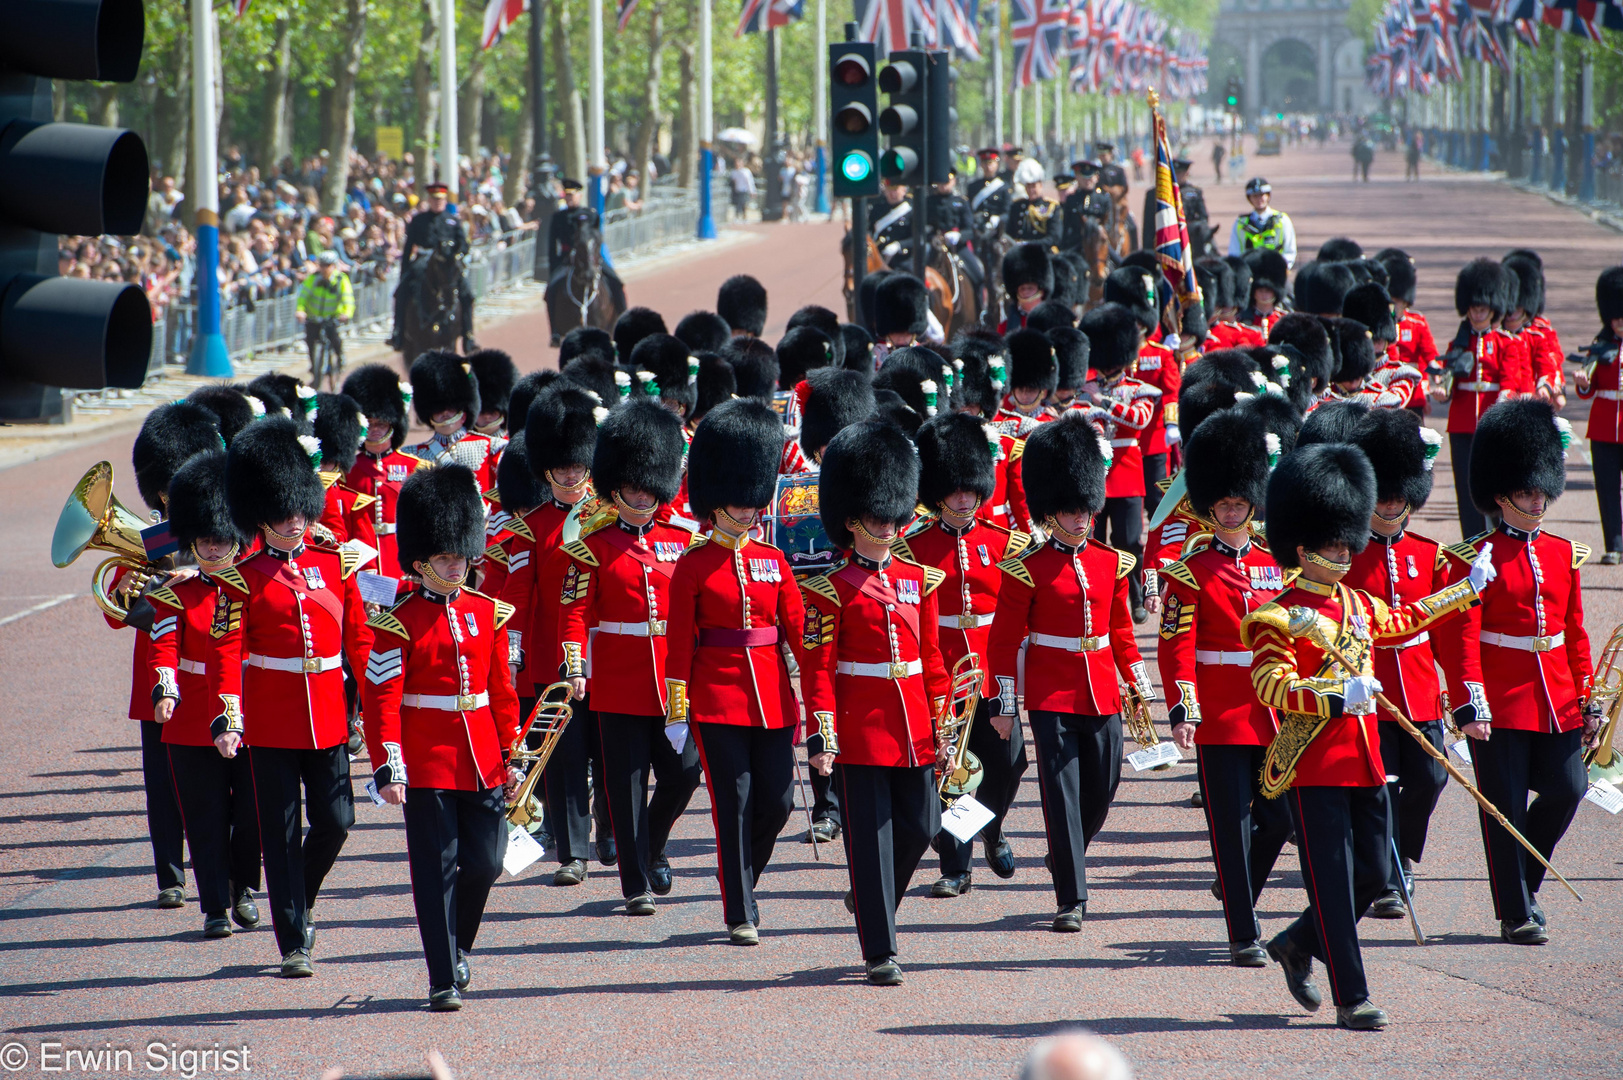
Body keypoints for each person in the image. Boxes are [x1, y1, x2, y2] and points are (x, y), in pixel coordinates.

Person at [1241, 443, 1484, 1030]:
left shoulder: (1358, 603)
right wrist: (1329, 696)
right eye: (1334, 544)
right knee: (1330, 879)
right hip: (1315, 763)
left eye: (1347, 541)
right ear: (1303, 548)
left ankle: (1298, 944)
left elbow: (1403, 623)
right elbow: (1269, 684)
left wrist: (1466, 587)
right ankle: (1353, 996)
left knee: (1377, 874)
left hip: (1366, 760)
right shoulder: (1280, 612)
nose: (1346, 553)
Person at [215, 417, 374, 978]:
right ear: (262, 515)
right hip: (272, 720)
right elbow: (229, 654)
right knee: (280, 833)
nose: (293, 522)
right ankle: (292, 942)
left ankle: (298, 896)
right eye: (283, 514)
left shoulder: (335, 563)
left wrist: (376, 715)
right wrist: (230, 718)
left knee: (336, 822)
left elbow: (359, 642)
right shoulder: (243, 577)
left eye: (299, 511)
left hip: (329, 712)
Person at [362, 464, 521, 1012]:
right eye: (447, 558)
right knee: (436, 869)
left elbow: (501, 692)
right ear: (421, 560)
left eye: (462, 556)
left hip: (481, 756)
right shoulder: (396, 622)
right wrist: (389, 763)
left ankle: (457, 947)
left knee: (486, 862)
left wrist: (512, 748)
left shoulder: (487, 614)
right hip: (426, 757)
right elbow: (381, 699)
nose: (458, 566)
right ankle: (441, 976)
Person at [799, 420, 950, 986]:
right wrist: (822, 734)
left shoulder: (919, 580)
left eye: (893, 518)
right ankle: (880, 950)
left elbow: (932, 659)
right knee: (870, 840)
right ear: (852, 520)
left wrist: (946, 722)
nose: (887, 528)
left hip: (914, 724)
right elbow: (817, 671)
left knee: (921, 824)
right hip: (859, 727)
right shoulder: (827, 588)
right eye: (876, 519)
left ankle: (870, 899)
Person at [988, 414, 1153, 932]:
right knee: (1059, 791)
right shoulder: (1027, 567)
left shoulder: (1111, 561)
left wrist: (1138, 683)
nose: (1080, 519)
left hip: (1102, 683)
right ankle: (1071, 898)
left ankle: (1066, 854)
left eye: (1085, 510)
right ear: (1050, 512)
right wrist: (1005, 705)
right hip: (1049, 688)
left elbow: (1121, 632)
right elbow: (1003, 640)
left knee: (1104, 784)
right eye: (1069, 510)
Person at [1446, 399, 1596, 946]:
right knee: (1503, 809)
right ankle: (1515, 912)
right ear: (1502, 494)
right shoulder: (1474, 557)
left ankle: (1522, 883)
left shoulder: (1563, 554)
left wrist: (1585, 695)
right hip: (1500, 698)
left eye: (1541, 492)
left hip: (1554, 693)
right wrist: (1469, 700)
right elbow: (1463, 638)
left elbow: (1573, 632)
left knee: (1568, 788)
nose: (1538, 501)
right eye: (1528, 492)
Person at [665, 399, 806, 944]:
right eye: (738, 501)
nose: (748, 511)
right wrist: (678, 710)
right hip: (715, 697)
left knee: (777, 802)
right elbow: (678, 642)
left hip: (772, 695)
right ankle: (740, 910)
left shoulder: (774, 558)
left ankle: (741, 875)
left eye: (753, 500)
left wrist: (819, 701)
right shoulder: (693, 565)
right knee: (736, 802)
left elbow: (798, 633)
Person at [1335, 408, 1482, 920]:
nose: (1393, 502)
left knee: (1429, 779)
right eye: (1386, 492)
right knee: (1377, 783)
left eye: (1401, 494)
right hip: (1364, 689)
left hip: (1418, 689)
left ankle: (1402, 854)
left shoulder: (1432, 556)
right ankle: (1388, 877)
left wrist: (1468, 700)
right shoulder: (1344, 555)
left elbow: (1454, 634)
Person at [1157, 404, 1291, 967]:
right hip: (1218, 712)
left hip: (1274, 709)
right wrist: (1183, 709)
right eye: (1225, 503)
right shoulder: (1188, 571)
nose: (1233, 510)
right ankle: (1242, 931)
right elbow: (1175, 646)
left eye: (1240, 501)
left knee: (1280, 820)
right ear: (1210, 507)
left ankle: (1238, 892)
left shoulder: (1275, 563)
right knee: (1231, 829)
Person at [559, 399, 703, 916]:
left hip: (673, 681)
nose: (641, 495)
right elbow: (572, 613)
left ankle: (653, 845)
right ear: (615, 485)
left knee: (685, 774)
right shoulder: (590, 545)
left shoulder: (682, 539)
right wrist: (574, 664)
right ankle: (635, 882)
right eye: (632, 486)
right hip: (618, 681)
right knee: (624, 786)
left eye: (649, 486)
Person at [895, 413, 1031, 898]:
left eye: (970, 490)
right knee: (954, 769)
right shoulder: (912, 549)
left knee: (1010, 764)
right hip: (946, 670)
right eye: (954, 491)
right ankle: (957, 865)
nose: (964, 498)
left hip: (994, 669)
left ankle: (989, 830)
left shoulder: (1005, 544)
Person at [147, 450, 262, 940]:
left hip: (252, 712)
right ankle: (216, 905)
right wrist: (166, 690)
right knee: (205, 814)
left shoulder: (256, 586)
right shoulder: (178, 590)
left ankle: (241, 887)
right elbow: (165, 643)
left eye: (221, 543)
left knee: (252, 813)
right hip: (193, 714)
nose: (213, 551)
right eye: (205, 543)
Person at [119, 402, 224, 910]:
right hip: (158, 672)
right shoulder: (149, 539)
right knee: (162, 782)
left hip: (218, 666)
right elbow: (118, 608)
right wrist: (149, 586)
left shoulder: (225, 529)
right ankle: (169, 873)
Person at [509, 385, 615, 882]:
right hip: (554, 658)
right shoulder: (529, 529)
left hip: (612, 654)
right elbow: (516, 604)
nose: (572, 475)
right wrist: (514, 659)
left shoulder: (611, 519)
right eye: (563, 468)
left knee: (614, 752)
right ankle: (573, 853)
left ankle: (613, 829)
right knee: (567, 758)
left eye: (578, 465)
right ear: (547, 470)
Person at [1432, 258, 1531, 539]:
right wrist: (1443, 390)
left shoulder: (1505, 342)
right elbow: (1448, 378)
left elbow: (1511, 378)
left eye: (1483, 307)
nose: (1477, 312)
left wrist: (1501, 403)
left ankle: (1502, 539)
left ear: (1493, 309)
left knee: (1499, 486)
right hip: (1463, 422)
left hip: (1493, 422)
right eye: (1474, 307)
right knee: (1466, 487)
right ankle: (1472, 541)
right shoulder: (1458, 343)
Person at [1079, 303, 1158, 623]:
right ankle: (1099, 600)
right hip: (1095, 476)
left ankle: (1136, 593)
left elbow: (1139, 420)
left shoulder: (1139, 389)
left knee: (1128, 541)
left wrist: (1102, 402)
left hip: (1126, 476)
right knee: (1093, 543)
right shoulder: (1085, 387)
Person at [340, 364, 426, 579]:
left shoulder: (414, 466)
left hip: (400, 554)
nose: (375, 428)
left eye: (381, 422)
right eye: (369, 423)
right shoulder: (348, 469)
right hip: (363, 557)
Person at [390, 182, 476, 352]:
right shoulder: (419, 220)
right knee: (401, 292)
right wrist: (404, 271)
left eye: (441, 199)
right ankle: (398, 333)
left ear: (445, 200)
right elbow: (408, 247)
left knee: (467, 295)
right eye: (435, 199)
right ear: (429, 200)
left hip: (448, 262)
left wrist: (457, 254)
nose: (438, 202)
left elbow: (464, 245)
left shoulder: (452, 220)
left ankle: (468, 336)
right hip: (423, 260)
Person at [402, 349, 498, 491]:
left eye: (452, 408)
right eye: (438, 409)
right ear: (429, 415)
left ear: (464, 413)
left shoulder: (494, 447)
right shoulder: (411, 455)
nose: (445, 412)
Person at [1578, 266, 1623, 563]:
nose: (1619, 322)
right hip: (1605, 426)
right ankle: (1615, 545)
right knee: (1607, 488)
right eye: (1615, 316)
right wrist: (1582, 384)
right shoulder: (1599, 346)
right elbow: (1588, 389)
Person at [545, 179, 628, 330]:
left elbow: (597, 237)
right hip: (566, 260)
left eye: (572, 195)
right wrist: (553, 268)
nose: (569, 198)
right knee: (551, 290)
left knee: (616, 282)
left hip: (591, 258)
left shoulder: (590, 215)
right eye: (567, 195)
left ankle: (624, 323)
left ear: (579, 195)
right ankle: (555, 332)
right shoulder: (558, 217)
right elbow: (552, 246)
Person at [296, 251, 353, 378]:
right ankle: (314, 365)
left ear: (334, 266)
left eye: (328, 265)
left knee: (334, 337)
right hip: (313, 317)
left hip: (331, 316)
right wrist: (300, 310)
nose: (324, 268)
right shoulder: (312, 278)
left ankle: (340, 357)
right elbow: (303, 296)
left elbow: (348, 298)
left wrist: (346, 313)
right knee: (310, 340)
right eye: (322, 265)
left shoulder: (341, 279)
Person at [1226, 178, 1297, 269]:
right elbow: (1234, 253)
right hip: (1249, 271)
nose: (1259, 199)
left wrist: (1282, 269)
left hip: (1276, 272)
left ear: (1268, 196)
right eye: (1255, 196)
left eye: (1262, 195)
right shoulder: (1240, 223)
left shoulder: (1282, 220)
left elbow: (1290, 251)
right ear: (1249, 198)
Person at [872, 180, 917, 270]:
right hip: (880, 258)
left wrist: (899, 245)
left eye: (896, 190)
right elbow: (870, 232)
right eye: (889, 190)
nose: (892, 193)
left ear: (904, 190)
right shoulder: (877, 210)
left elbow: (917, 237)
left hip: (903, 260)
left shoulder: (911, 209)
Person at [967, 147, 1012, 239]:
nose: (988, 167)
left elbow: (1008, 212)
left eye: (991, 163)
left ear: (997, 164)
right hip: (978, 231)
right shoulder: (973, 187)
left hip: (997, 232)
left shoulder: (1003, 187)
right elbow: (969, 210)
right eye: (985, 163)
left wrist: (998, 219)